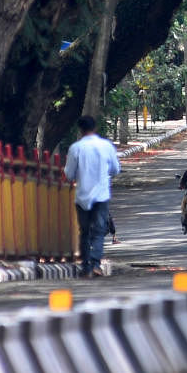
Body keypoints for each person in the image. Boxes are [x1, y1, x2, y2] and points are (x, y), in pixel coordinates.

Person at [63, 115, 121, 278]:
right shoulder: (106, 146)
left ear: (80, 130)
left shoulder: (76, 148)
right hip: (101, 196)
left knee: (85, 231)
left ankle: (86, 266)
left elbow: (68, 174)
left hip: (82, 196)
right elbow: (116, 169)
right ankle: (96, 264)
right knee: (99, 230)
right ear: (95, 128)